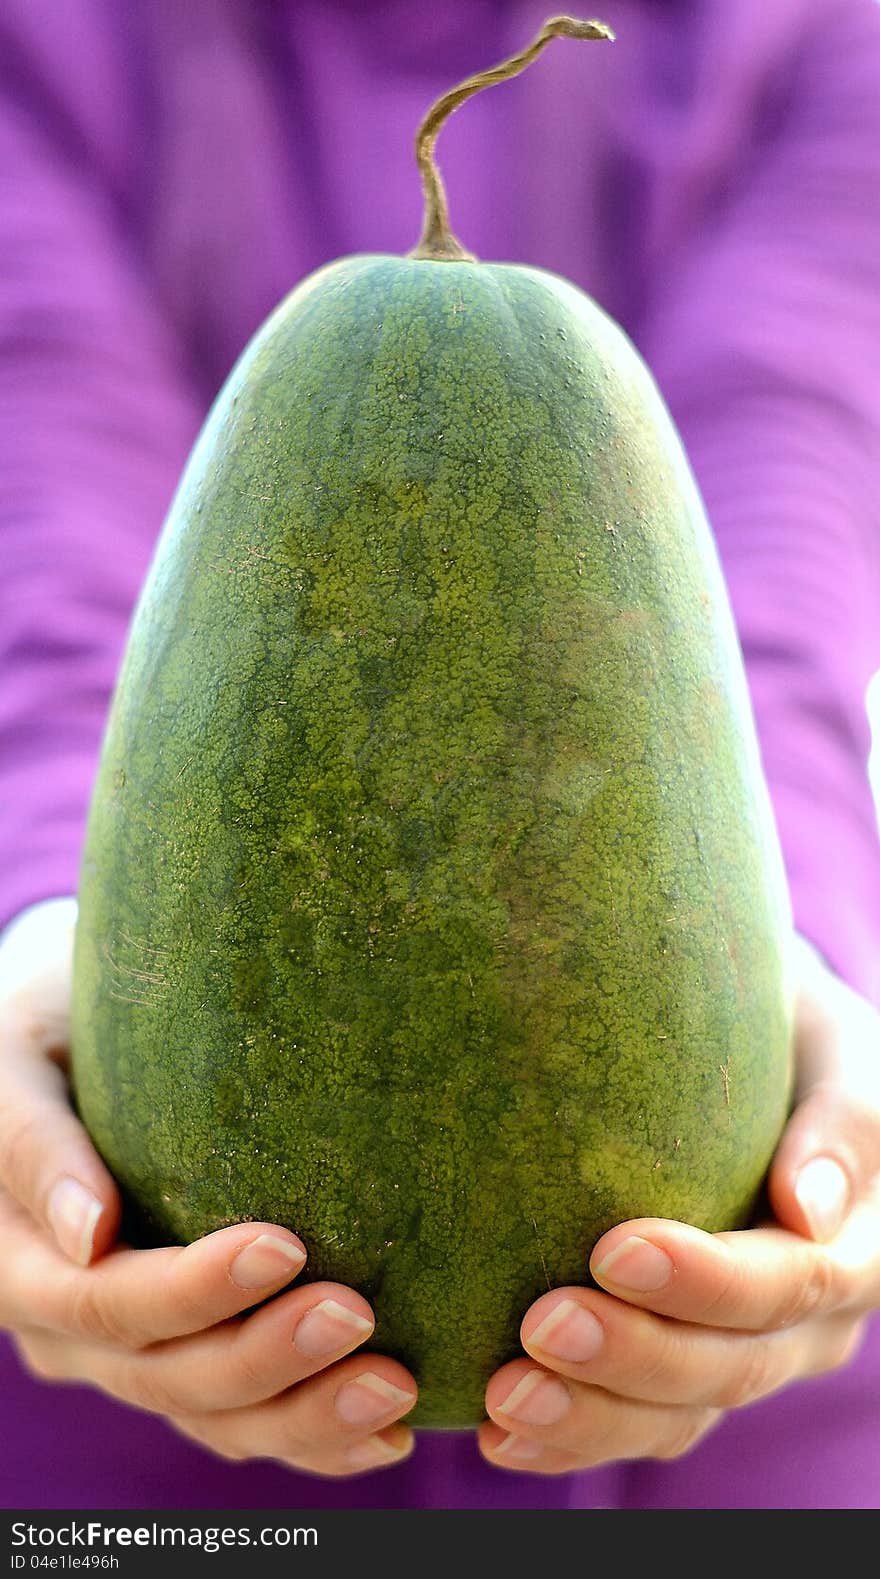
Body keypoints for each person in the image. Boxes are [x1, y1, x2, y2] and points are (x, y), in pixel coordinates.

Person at [1, 0, 880, 1511]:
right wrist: (42, 934)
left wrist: (800, 948)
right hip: (138, 1475)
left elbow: (789, 471)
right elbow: (42, 482)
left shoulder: (825, 33)